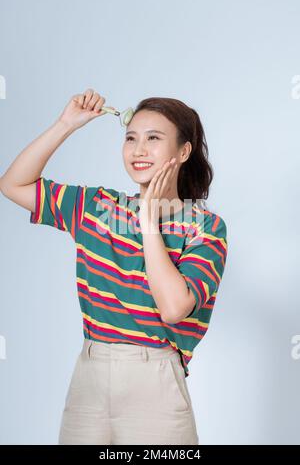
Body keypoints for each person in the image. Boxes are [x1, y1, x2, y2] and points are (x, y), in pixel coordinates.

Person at [0, 88, 228, 445]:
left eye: (154, 138)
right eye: (131, 138)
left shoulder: (205, 227)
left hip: (155, 380)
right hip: (90, 375)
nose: (138, 150)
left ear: (184, 151)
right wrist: (66, 125)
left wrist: (149, 220)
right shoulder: (97, 207)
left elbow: (172, 308)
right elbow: (13, 184)